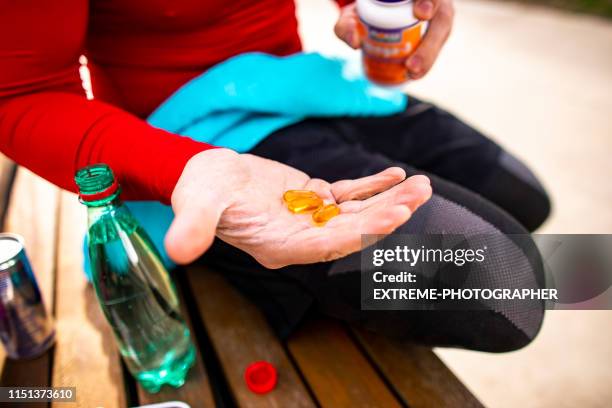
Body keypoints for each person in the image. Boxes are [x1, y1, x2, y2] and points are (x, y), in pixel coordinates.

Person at [0, 0, 550, 352]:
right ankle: (245, 269)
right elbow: (22, 93)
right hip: (193, 132)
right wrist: (178, 169)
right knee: (510, 289)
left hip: (296, 83)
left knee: (523, 197)